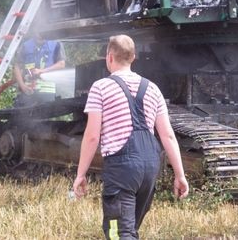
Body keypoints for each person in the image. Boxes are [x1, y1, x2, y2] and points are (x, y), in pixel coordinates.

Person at [72, 35, 188, 240]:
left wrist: (81, 175)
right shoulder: (153, 89)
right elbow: (168, 136)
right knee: (129, 230)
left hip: (122, 168)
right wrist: (180, 175)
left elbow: (91, 137)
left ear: (109, 57)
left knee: (119, 233)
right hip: (150, 167)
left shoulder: (101, 87)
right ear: (133, 57)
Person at [14, 32, 66, 106]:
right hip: (28, 90)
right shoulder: (26, 45)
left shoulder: (56, 44)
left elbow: (61, 64)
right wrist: (22, 85)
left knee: (44, 115)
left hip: (47, 91)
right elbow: (17, 66)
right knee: (23, 114)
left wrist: (42, 71)